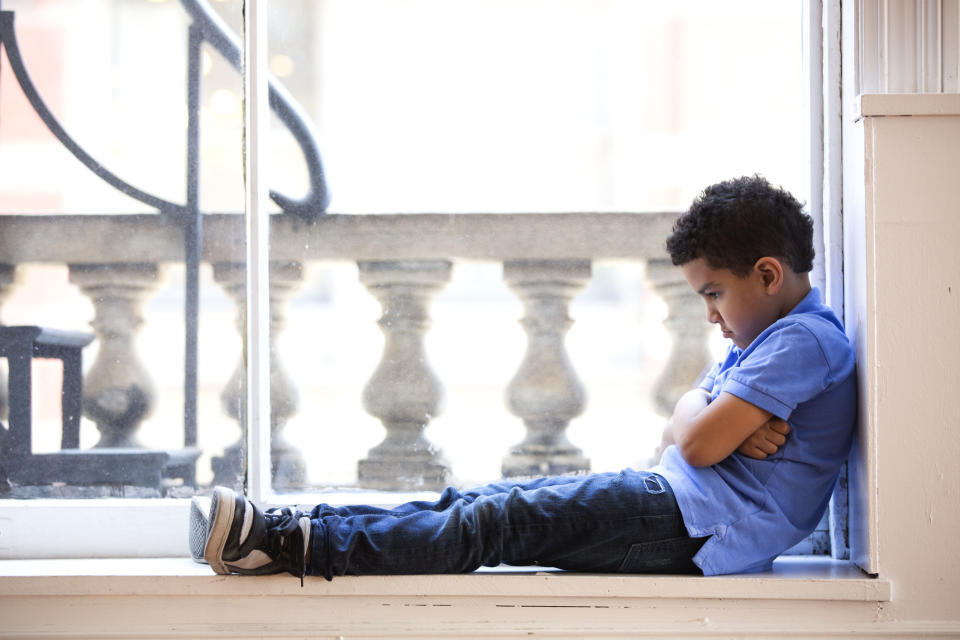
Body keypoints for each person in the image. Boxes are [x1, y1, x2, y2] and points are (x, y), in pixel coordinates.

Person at [191, 175, 857, 582]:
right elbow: (681, 432)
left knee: (496, 522)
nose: (710, 315)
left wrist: (700, 418)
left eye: (713, 294)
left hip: (693, 528)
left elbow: (699, 444)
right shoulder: (768, 338)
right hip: (673, 505)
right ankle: (301, 527)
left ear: (768, 275)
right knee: (480, 502)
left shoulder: (804, 340)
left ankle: (282, 546)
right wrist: (697, 411)